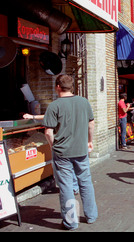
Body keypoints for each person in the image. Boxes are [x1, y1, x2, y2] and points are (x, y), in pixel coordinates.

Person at [42, 74, 97, 230]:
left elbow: (48, 132)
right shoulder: (84, 102)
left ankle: (71, 222)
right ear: (72, 87)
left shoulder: (54, 106)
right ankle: (91, 215)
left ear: (58, 87)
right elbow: (91, 124)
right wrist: (89, 141)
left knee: (66, 186)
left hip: (62, 152)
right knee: (85, 182)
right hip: (81, 150)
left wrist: (53, 146)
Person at [23, 113, 79, 195]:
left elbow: (48, 130)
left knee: (62, 166)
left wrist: (33, 117)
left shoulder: (59, 107)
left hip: (62, 142)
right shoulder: (74, 107)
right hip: (72, 140)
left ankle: (69, 188)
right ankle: (74, 187)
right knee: (70, 164)